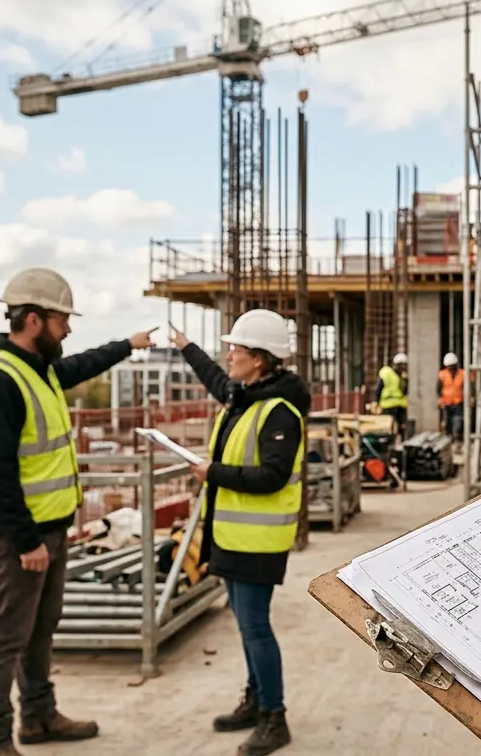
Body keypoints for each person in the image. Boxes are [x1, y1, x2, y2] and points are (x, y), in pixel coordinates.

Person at [0, 267, 156, 756]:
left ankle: (38, 716)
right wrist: (26, 542)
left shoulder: (38, 369)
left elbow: (84, 364)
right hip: (15, 538)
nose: (68, 329)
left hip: (49, 528)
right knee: (5, 638)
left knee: (40, 630)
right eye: (61, 320)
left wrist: (128, 344)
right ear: (33, 319)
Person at [170, 308, 310, 756]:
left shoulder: (279, 411)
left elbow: (271, 475)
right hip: (232, 538)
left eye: (238, 349)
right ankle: (257, 701)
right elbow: (216, 380)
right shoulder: (246, 397)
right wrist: (186, 348)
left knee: (255, 628)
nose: (229, 355)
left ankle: (274, 716)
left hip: (258, 543)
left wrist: (213, 472)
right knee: (247, 626)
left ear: (261, 358)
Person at [374, 352, 409, 439]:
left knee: (402, 427)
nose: (403, 368)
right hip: (387, 405)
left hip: (400, 405)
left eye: (405, 365)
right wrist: (376, 402)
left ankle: (401, 445)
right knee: (389, 428)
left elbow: (405, 391)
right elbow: (378, 388)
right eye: (402, 365)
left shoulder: (403, 377)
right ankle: (389, 445)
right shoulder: (386, 373)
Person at [437, 351, 465, 442]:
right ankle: (448, 439)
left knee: (458, 422)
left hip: (458, 402)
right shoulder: (442, 374)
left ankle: (457, 439)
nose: (451, 368)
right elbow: (438, 389)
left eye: (452, 366)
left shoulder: (462, 374)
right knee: (447, 422)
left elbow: (468, 387)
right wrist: (440, 400)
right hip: (446, 402)